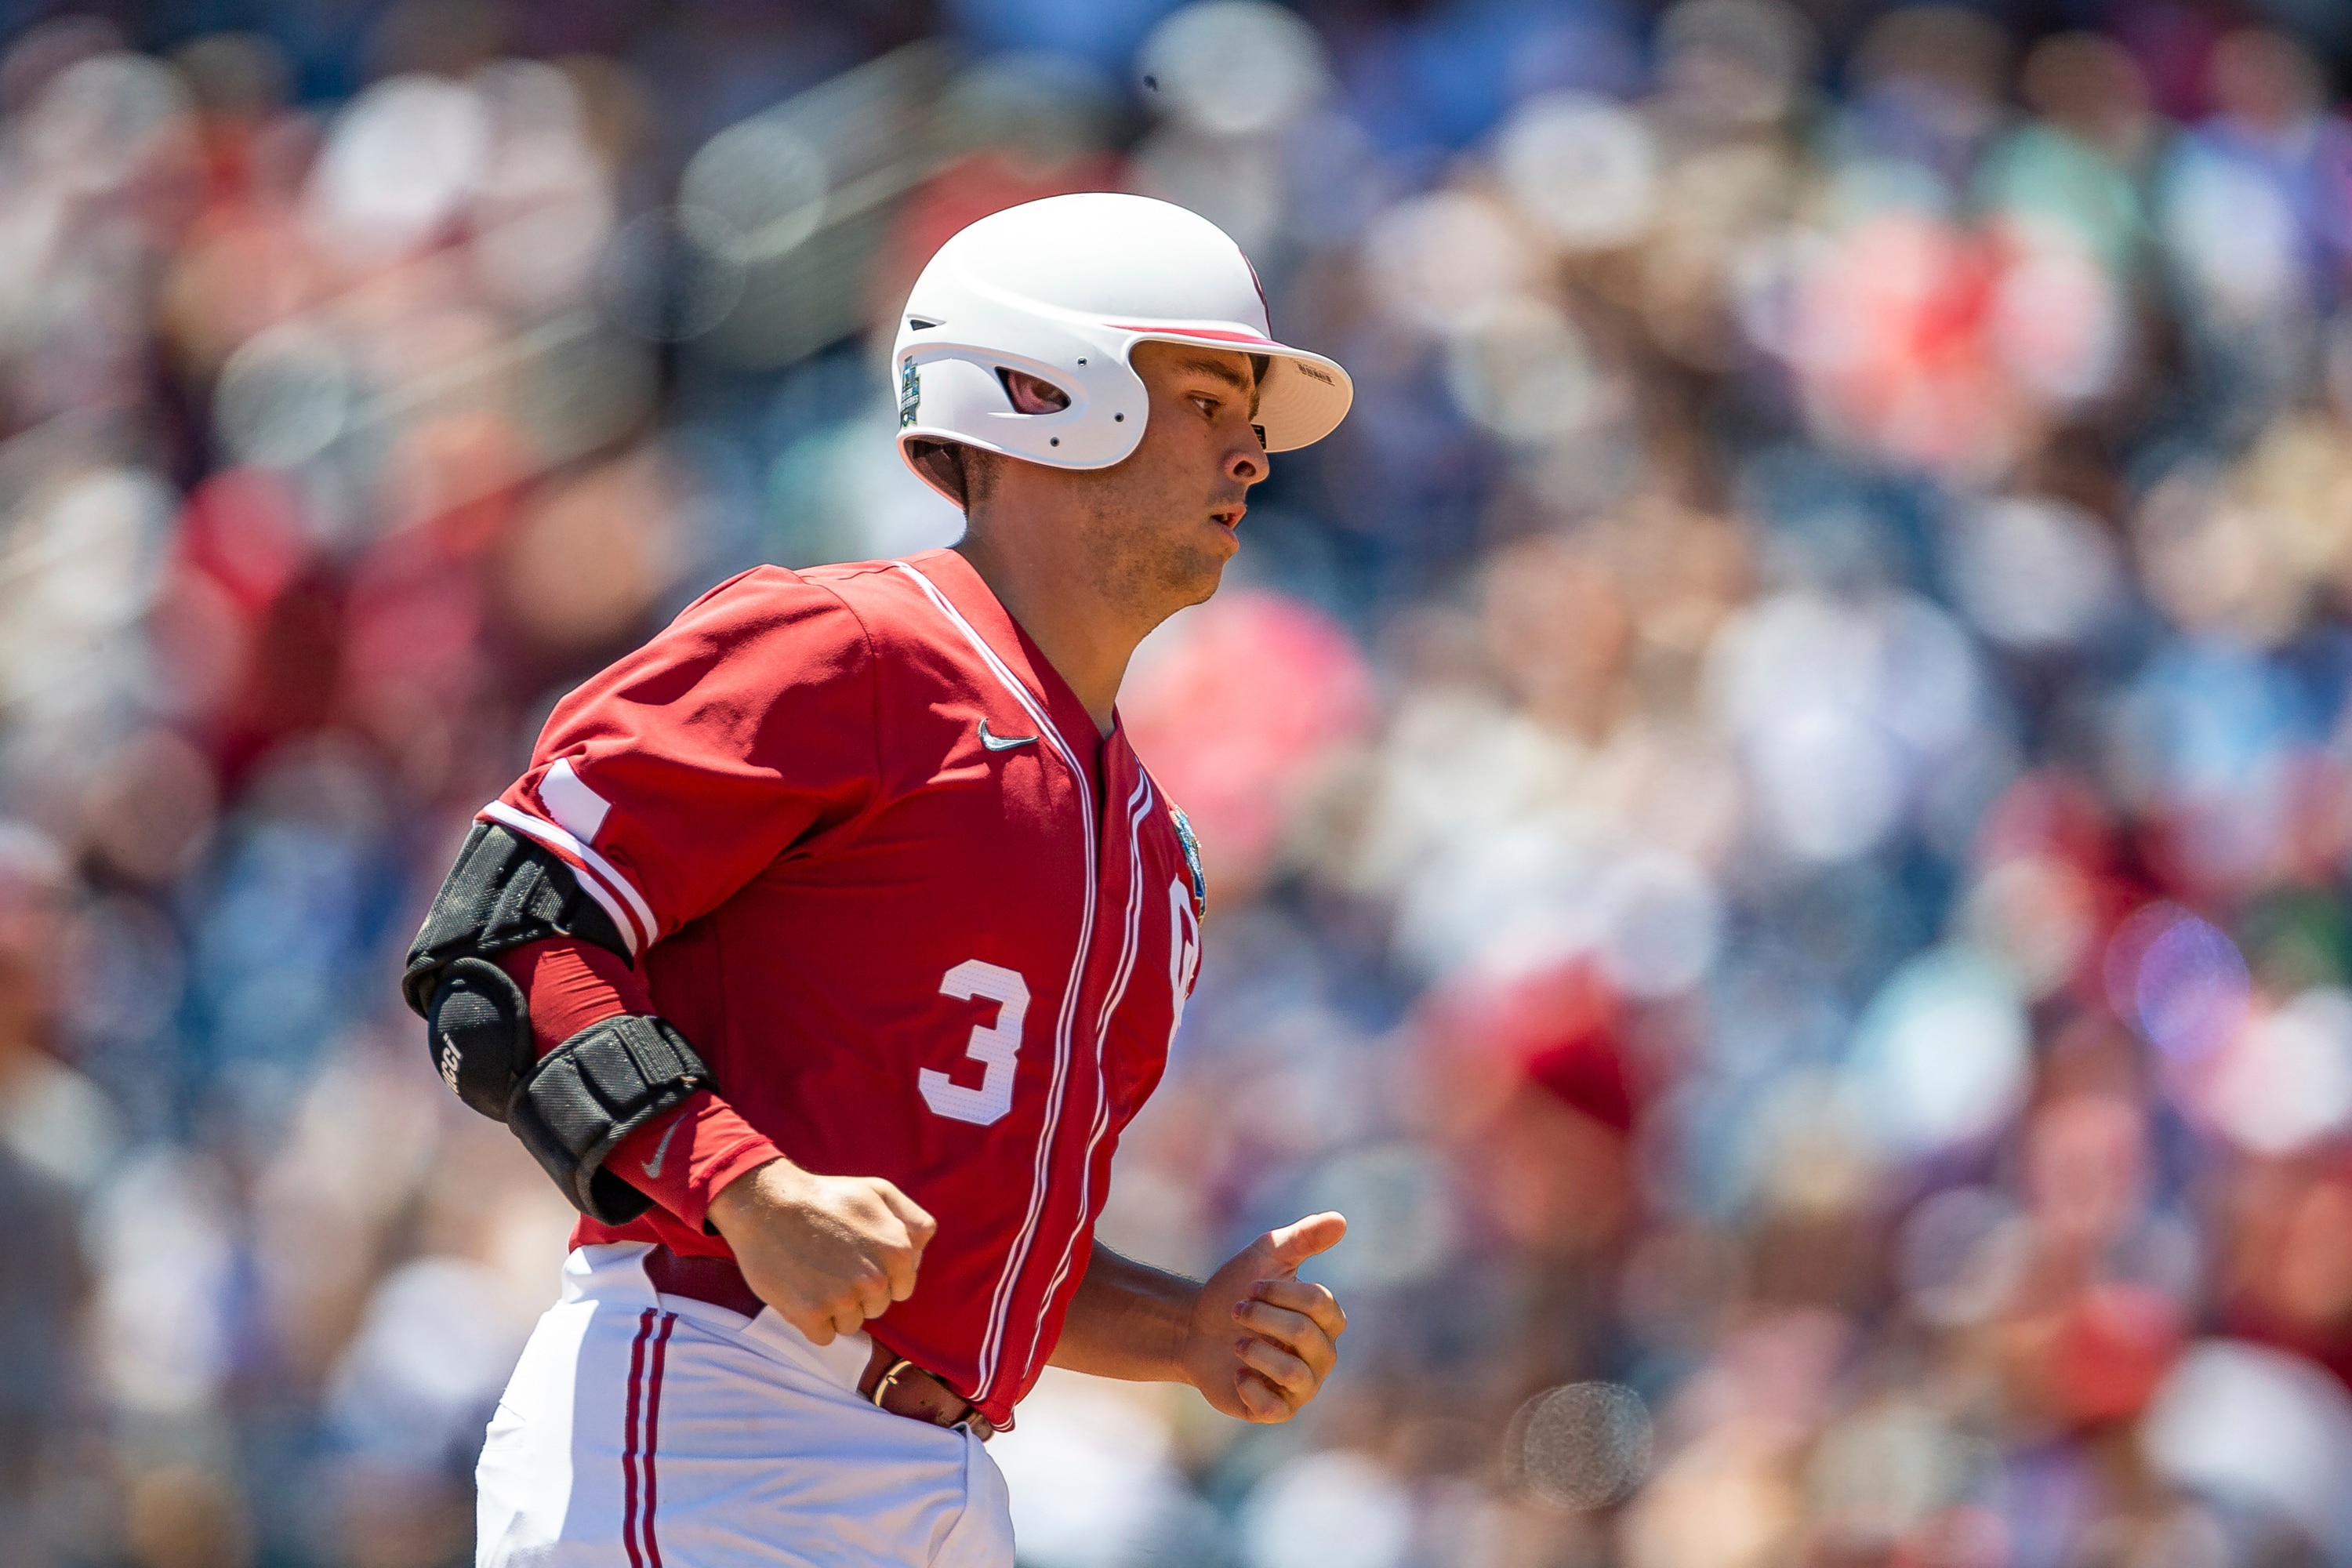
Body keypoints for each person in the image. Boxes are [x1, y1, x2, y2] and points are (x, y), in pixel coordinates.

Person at [401, 193, 1359, 1567]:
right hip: (712, 1415)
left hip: (945, 1479)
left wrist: (1182, 1329)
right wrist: (740, 1184)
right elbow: (498, 946)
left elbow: (963, 1242)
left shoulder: (1151, 840)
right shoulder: (841, 647)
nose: (1253, 453)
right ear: (1043, 394)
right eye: (1210, 396)